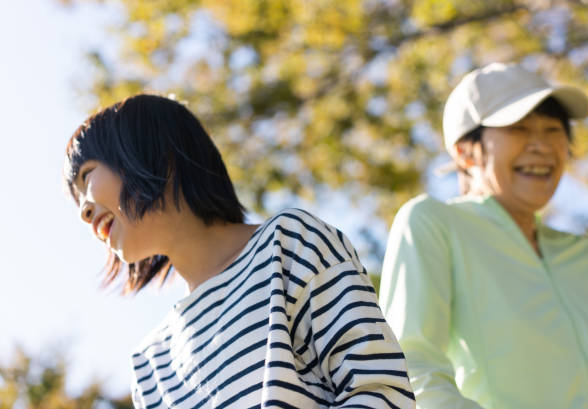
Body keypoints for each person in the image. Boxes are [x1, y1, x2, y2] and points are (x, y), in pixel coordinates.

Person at [63, 94, 415, 409]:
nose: (83, 212)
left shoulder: (289, 245)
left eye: (88, 175)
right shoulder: (150, 364)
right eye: (77, 202)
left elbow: (380, 390)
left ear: (153, 151)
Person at [379, 62, 588, 409]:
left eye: (553, 129)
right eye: (519, 128)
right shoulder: (433, 223)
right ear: (465, 152)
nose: (542, 146)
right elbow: (408, 368)